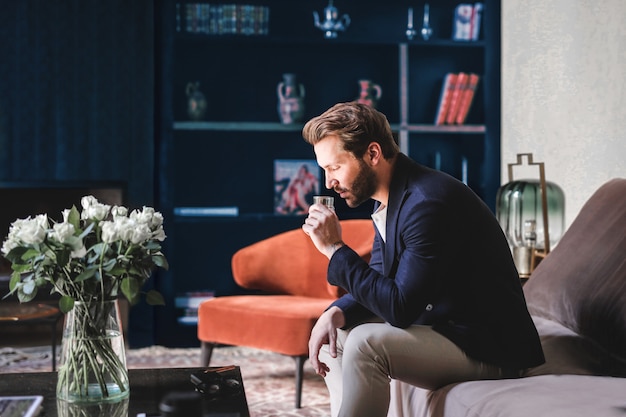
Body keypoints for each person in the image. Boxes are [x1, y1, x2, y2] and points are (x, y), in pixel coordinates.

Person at [300, 102, 545, 417]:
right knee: (334, 339)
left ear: (373, 154)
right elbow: (380, 277)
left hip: (490, 348)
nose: (328, 183)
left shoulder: (428, 204)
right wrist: (335, 311)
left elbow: (400, 309)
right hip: (446, 329)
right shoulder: (391, 198)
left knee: (365, 342)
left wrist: (334, 247)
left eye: (334, 167)